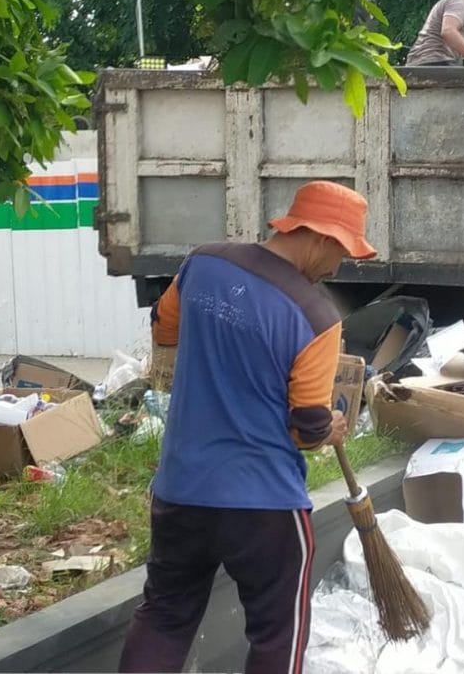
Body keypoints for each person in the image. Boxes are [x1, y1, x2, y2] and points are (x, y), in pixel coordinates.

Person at [118, 181, 377, 674]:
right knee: (277, 635)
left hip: (181, 490)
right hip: (264, 506)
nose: (338, 268)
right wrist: (332, 428)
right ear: (320, 237)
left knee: (166, 616)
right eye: (341, 252)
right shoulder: (317, 316)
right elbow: (307, 428)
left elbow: (165, 329)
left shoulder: (204, 263)